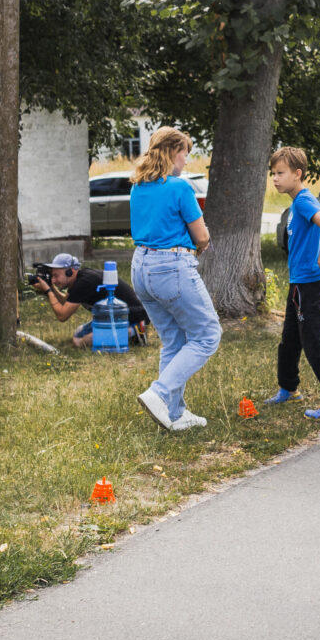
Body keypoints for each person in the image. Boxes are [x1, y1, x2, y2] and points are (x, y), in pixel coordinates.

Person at [128, 126, 217, 432]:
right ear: (171, 152)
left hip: (141, 266)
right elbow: (201, 235)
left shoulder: (137, 187)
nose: (187, 161)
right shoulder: (180, 188)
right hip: (171, 265)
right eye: (185, 153)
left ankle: (175, 413)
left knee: (174, 340)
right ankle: (160, 393)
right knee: (207, 335)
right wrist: (201, 245)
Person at [266, 147, 320, 424]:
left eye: (280, 173)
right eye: (272, 173)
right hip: (299, 283)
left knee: (314, 342)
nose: (275, 179)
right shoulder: (300, 201)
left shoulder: (302, 201)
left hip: (307, 284)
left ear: (297, 174)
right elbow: (314, 236)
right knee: (290, 339)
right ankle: (288, 388)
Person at [29, 252, 148, 350]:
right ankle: (124, 333)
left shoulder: (85, 282)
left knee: (80, 342)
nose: (54, 280)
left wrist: (48, 291)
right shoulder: (78, 280)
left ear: (70, 272)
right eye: (52, 277)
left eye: (56, 275)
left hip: (131, 315)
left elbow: (62, 315)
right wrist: (51, 288)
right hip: (112, 316)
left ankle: (134, 330)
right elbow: (65, 301)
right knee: (79, 333)